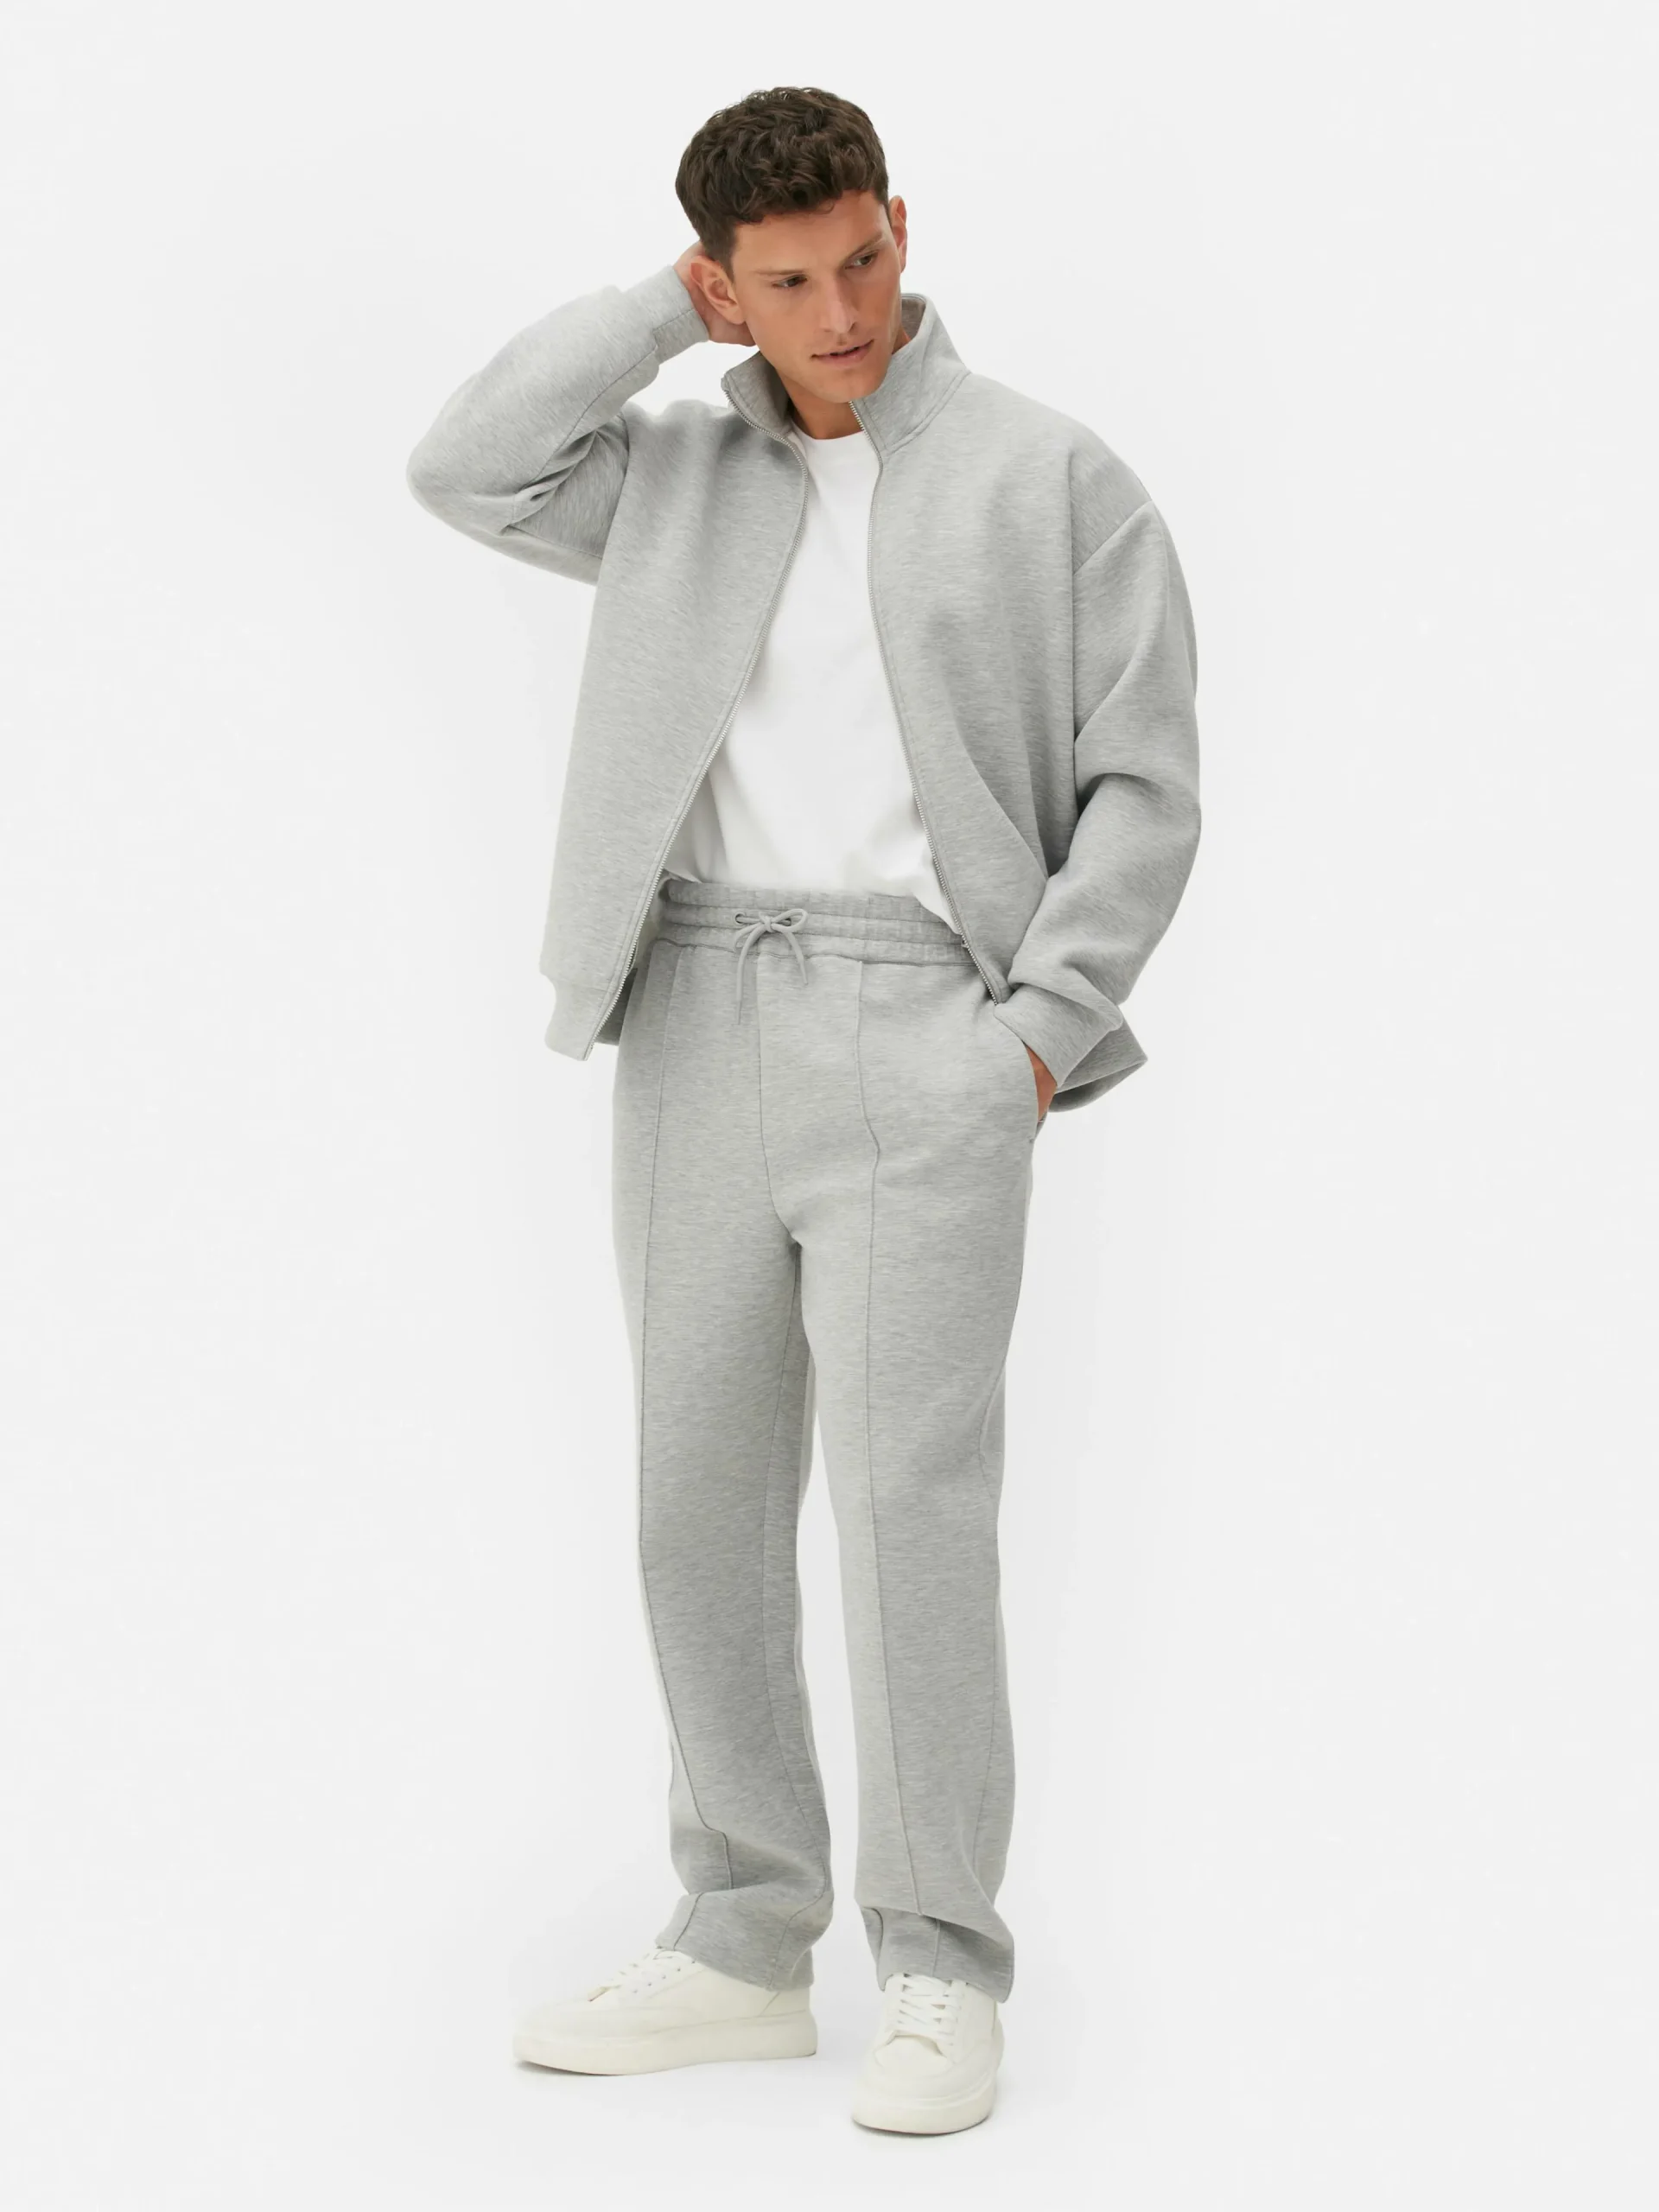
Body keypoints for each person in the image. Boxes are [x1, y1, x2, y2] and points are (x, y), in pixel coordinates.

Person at [405, 83, 1200, 2136]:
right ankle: (745, 1937)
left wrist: (1036, 1033)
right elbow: (462, 463)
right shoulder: (669, 475)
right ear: (721, 285)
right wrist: (644, 324)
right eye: (784, 282)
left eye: (860, 258)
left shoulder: (1050, 475)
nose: (841, 311)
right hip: (694, 1004)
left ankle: (938, 1961)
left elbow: (1144, 777)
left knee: (908, 1509)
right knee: (693, 1497)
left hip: (928, 1022)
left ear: (898, 226)